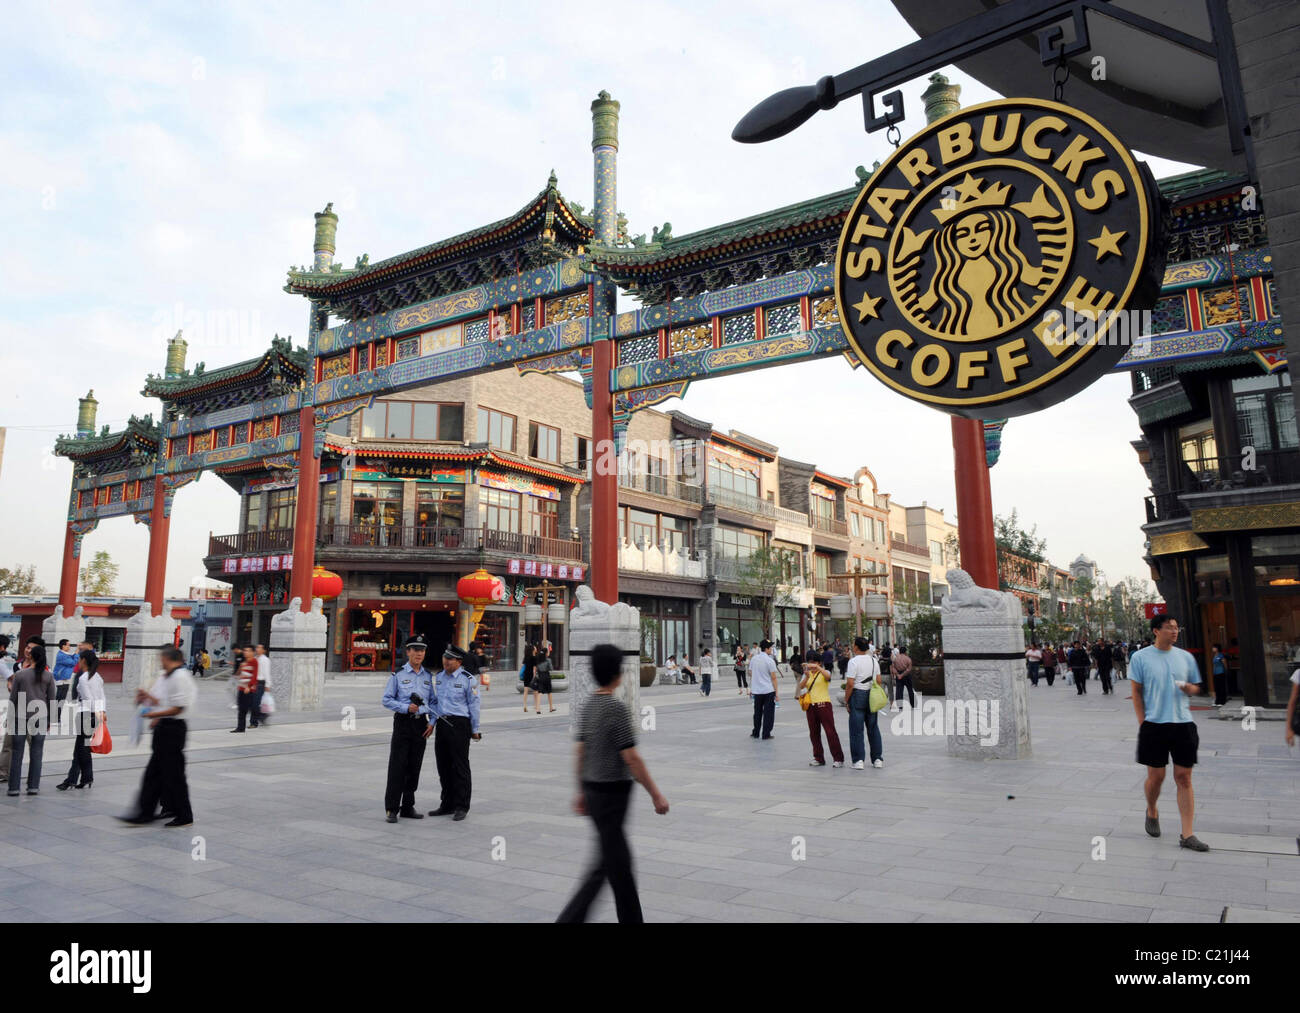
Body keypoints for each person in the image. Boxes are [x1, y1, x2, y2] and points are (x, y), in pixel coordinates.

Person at [557, 642, 668, 923]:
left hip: (594, 792)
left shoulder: (589, 705)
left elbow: (580, 752)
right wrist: (656, 794)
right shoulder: (615, 709)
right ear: (618, 673)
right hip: (612, 795)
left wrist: (580, 790)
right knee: (608, 867)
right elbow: (631, 758)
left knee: (617, 865)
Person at [1131, 614, 1207, 852]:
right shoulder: (1140, 657)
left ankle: (1188, 834)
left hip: (1183, 724)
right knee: (1157, 777)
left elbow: (1197, 687)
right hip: (1154, 725)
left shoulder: (1185, 657)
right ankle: (1152, 809)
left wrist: (1188, 688)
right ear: (1156, 631)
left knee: (1184, 777)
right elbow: (1136, 691)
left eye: (1177, 628)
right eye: (1169, 628)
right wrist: (1143, 722)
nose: (1174, 632)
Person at [119, 646, 196, 827]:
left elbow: (179, 707)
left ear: (168, 658)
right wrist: (148, 698)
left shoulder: (180, 677)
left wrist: (153, 715)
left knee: (174, 775)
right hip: (164, 728)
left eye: (161, 658)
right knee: (155, 774)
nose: (159, 661)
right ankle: (145, 812)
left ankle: (184, 815)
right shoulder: (168, 676)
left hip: (173, 729)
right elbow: (163, 702)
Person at [380, 635, 434, 823]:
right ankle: (392, 808)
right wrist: (405, 707)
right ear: (408, 652)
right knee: (398, 766)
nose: (419, 653)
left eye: (422, 650)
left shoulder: (428, 676)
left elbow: (433, 702)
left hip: (421, 724)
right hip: (403, 723)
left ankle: (408, 806)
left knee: (414, 766)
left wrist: (432, 721)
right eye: (415, 650)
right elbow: (386, 699)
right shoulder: (398, 675)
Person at [429, 645, 481, 821]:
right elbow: (436, 702)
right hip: (442, 723)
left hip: (460, 724)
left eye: (450, 659)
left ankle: (462, 805)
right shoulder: (440, 677)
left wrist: (475, 730)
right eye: (445, 658)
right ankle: (447, 803)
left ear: (459, 662)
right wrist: (432, 722)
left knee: (460, 766)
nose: (446, 661)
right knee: (443, 765)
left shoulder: (468, 679)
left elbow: (474, 706)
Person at [7, 644, 54, 796]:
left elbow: (13, 698)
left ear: (31, 656)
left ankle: (14, 788)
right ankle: (33, 786)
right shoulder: (48, 676)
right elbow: (52, 700)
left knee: (17, 753)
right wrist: (49, 721)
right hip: (40, 717)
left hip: (20, 717)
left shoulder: (20, 674)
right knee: (37, 752)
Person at [58, 649, 104, 791]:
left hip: (85, 714)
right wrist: (102, 712)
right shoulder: (97, 677)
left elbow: (88, 698)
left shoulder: (84, 678)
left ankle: (78, 779)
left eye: (79, 658)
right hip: (93, 716)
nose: (78, 661)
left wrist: (96, 713)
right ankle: (82, 779)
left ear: (83, 660)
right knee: (83, 748)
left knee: (81, 749)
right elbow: (102, 696)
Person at [843, 636, 884, 769]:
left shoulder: (853, 662)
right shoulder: (874, 661)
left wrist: (846, 699)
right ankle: (877, 759)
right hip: (871, 695)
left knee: (856, 729)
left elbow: (850, 683)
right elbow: (878, 681)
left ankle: (859, 760)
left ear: (856, 647)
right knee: (873, 728)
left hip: (858, 694)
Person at [795, 654, 844, 767]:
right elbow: (801, 686)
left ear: (819, 663)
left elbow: (828, 677)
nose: (811, 666)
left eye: (814, 663)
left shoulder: (823, 672)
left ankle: (838, 758)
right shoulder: (807, 674)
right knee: (814, 733)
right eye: (810, 663)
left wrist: (818, 668)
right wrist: (807, 676)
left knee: (830, 732)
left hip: (824, 704)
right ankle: (818, 757)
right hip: (811, 706)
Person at [748, 639, 779, 740]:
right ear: (766, 649)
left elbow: (750, 673)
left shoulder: (754, 659)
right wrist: (777, 693)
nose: (771, 649)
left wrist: (757, 679)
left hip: (757, 691)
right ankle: (766, 734)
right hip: (768, 690)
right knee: (768, 713)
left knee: (757, 712)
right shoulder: (770, 661)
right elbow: (773, 678)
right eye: (770, 648)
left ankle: (756, 732)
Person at [230, 646, 258, 733]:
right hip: (241, 688)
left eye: (248, 651)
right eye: (245, 650)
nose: (245, 652)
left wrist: (249, 687)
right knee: (242, 709)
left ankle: (259, 716)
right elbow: (238, 674)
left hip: (248, 689)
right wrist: (240, 668)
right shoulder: (244, 662)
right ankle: (240, 727)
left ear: (253, 652)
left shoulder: (254, 661)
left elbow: (255, 675)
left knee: (246, 708)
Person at [53, 639, 77, 713]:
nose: (69, 647)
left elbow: (72, 656)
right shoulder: (61, 655)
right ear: (63, 646)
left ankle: (58, 715)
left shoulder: (66, 654)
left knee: (62, 698)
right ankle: (55, 714)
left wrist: (76, 652)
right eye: (68, 645)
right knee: (59, 698)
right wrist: (76, 654)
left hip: (66, 679)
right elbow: (73, 662)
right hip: (61, 679)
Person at [529, 645, 555, 714]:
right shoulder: (548, 660)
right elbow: (551, 669)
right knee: (549, 692)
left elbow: (535, 669)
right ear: (546, 653)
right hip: (546, 676)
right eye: (548, 652)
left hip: (540, 676)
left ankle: (538, 709)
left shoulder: (537, 660)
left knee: (540, 693)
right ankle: (551, 707)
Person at [252, 643, 271, 726]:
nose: (257, 649)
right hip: (253, 683)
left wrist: (268, 685)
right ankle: (260, 717)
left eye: (260, 648)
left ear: (264, 650)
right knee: (252, 703)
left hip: (260, 683)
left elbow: (267, 673)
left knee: (255, 703)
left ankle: (256, 720)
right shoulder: (254, 658)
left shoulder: (265, 660)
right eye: (257, 647)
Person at [891, 643, 915, 711]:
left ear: (899, 651)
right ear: (905, 652)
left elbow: (893, 668)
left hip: (898, 675)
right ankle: (912, 705)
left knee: (899, 691)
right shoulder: (908, 659)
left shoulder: (895, 659)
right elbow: (909, 669)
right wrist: (903, 674)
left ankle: (900, 706)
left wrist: (898, 675)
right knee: (910, 690)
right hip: (906, 675)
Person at [520, 643, 537, 712]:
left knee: (525, 691)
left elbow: (522, 666)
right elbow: (534, 669)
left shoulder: (526, 657)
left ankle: (524, 705)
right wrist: (534, 676)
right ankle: (536, 705)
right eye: (535, 648)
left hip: (526, 674)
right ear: (533, 650)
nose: (536, 648)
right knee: (535, 690)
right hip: (531, 675)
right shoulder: (534, 658)